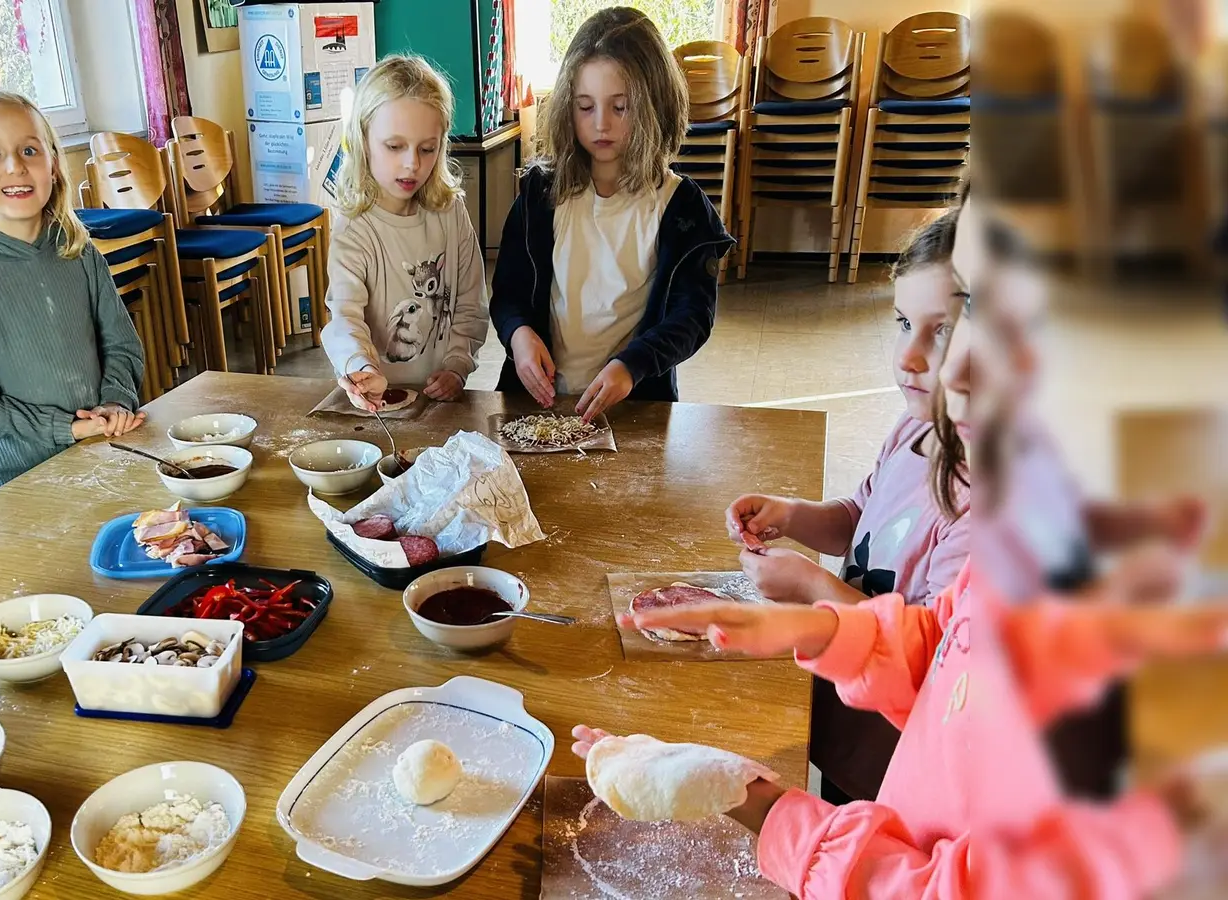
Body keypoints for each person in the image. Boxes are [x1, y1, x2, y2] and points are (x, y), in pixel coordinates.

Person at [572, 190, 1223, 898]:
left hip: (876, 768)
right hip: (890, 778)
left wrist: (763, 809)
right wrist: (818, 626)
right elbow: (954, 656)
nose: (945, 369)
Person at [725, 210, 971, 802]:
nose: (908, 356)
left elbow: (930, 661)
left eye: (943, 331)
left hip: (891, 756)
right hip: (842, 706)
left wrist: (812, 587)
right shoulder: (915, 428)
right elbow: (857, 518)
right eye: (904, 322)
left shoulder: (981, 506)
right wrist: (792, 513)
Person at [489, 6, 732, 423]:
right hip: (538, 404)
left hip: (634, 405)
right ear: (567, 105)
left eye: (620, 107)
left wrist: (633, 365)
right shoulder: (540, 194)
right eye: (585, 107)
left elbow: (692, 316)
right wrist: (519, 335)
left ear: (655, 104)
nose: (601, 124)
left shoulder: (681, 206)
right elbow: (508, 292)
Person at [0, 87, 146, 488]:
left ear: (53, 164)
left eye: (30, 150)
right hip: (21, 473)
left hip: (101, 448)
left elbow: (120, 345)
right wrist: (66, 428)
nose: (16, 167)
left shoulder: (79, 253)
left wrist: (115, 402)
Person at [321, 55, 488, 411]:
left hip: (438, 401)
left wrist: (457, 366)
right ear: (363, 140)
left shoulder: (450, 213)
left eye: (427, 149)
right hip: (377, 405)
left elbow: (471, 305)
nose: (412, 163)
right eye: (394, 147)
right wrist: (361, 368)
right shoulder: (355, 228)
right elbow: (344, 318)